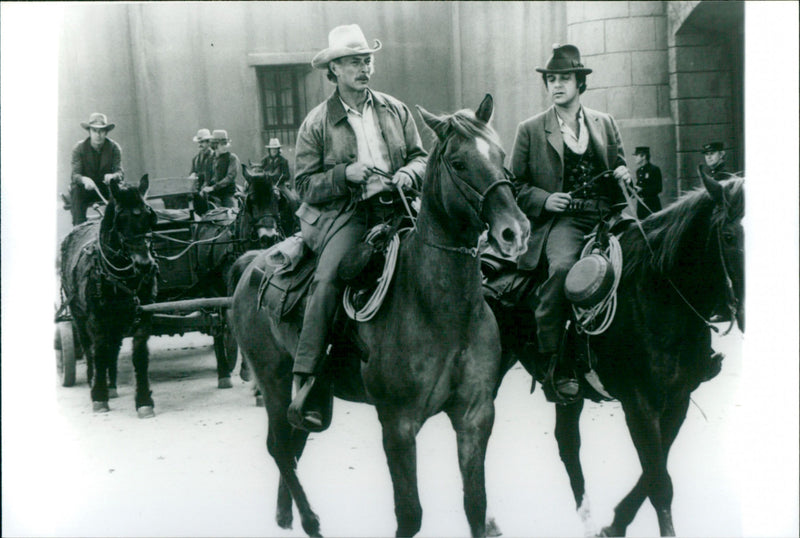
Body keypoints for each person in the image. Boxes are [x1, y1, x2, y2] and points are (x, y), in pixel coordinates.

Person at [288, 23, 427, 429]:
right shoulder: (317, 122)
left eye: (366, 60)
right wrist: (344, 174)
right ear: (334, 70)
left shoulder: (394, 109)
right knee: (330, 277)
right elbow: (302, 185)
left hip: (398, 205)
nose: (363, 68)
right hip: (347, 214)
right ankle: (308, 379)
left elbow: (421, 156)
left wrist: (411, 174)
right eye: (353, 62)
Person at [509, 44, 633, 401]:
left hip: (607, 215)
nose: (557, 85)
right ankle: (556, 361)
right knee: (563, 270)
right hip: (564, 221)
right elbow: (514, 186)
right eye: (551, 79)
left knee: (648, 256)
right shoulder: (531, 129)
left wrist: (622, 171)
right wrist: (546, 200)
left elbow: (616, 166)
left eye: (564, 78)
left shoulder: (604, 122)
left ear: (580, 83)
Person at [69, 113, 125, 225]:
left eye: (101, 131)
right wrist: (84, 180)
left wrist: (113, 176)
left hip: (106, 189)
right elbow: (75, 175)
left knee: (119, 191)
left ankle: (117, 226)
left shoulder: (114, 148)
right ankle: (79, 227)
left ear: (106, 132)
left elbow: (120, 173)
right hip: (86, 190)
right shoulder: (79, 148)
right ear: (89, 132)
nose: (98, 135)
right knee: (76, 191)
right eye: (94, 131)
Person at [200, 129, 240, 208]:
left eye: (226, 144)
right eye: (222, 144)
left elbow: (230, 177)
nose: (225, 146)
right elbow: (207, 179)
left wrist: (214, 187)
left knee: (232, 214)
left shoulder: (232, 158)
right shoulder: (209, 160)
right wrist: (203, 188)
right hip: (213, 194)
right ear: (215, 145)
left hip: (227, 194)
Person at [633, 146, 662, 218]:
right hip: (641, 206)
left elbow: (658, 188)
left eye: (637, 155)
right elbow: (638, 186)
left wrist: (642, 190)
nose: (635, 158)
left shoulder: (654, 169)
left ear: (643, 156)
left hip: (652, 205)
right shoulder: (639, 171)